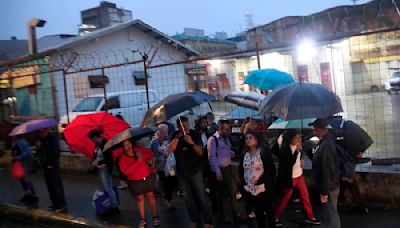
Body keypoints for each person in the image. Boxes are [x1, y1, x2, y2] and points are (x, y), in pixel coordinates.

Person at [167, 116, 213, 228]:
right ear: (178, 126)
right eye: (182, 125)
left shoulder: (195, 134)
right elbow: (169, 150)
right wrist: (178, 138)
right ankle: (194, 219)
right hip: (182, 172)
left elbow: (201, 152)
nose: (185, 127)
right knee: (188, 198)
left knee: (201, 195)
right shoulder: (175, 135)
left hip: (195, 170)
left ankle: (208, 221)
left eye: (186, 124)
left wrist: (191, 142)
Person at [274, 129, 320, 226]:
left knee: (305, 196)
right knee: (285, 198)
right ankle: (275, 217)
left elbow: (299, 156)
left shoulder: (297, 146)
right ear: (290, 138)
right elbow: (289, 162)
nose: (299, 140)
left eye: (300, 138)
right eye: (297, 138)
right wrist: (296, 151)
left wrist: (301, 157)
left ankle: (310, 216)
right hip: (290, 177)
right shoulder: (285, 149)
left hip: (299, 175)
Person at [239, 130, 276, 228]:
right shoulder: (245, 154)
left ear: (256, 139)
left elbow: (271, 169)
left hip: (263, 187)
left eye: (250, 138)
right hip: (251, 189)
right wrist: (244, 183)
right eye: (246, 138)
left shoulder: (263, 151)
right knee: (258, 212)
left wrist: (261, 180)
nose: (248, 140)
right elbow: (241, 170)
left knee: (269, 211)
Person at [119, 139, 160, 227]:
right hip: (135, 181)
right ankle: (143, 219)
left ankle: (155, 217)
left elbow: (151, 154)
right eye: (125, 145)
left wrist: (141, 157)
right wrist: (138, 161)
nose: (128, 146)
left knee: (151, 197)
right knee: (140, 199)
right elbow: (126, 172)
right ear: (122, 148)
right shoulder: (122, 158)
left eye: (129, 144)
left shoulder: (139, 149)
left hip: (147, 177)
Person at [310, 118, 341, 228]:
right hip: (330, 186)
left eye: (314, 129)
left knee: (331, 215)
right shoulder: (325, 141)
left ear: (318, 129)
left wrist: (324, 191)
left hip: (329, 187)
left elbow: (327, 169)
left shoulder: (327, 145)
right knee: (329, 213)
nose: (313, 131)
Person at [208, 119, 239, 223]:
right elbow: (211, 157)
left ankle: (235, 214)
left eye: (228, 129)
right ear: (220, 129)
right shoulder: (213, 140)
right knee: (222, 195)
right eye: (226, 130)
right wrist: (217, 171)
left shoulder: (226, 138)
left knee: (232, 192)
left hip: (228, 167)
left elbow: (224, 150)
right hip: (220, 169)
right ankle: (224, 217)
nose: (228, 131)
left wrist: (230, 153)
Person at [87, 130, 119, 215]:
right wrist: (93, 162)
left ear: (95, 137)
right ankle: (111, 205)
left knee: (108, 188)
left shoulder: (105, 143)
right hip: (100, 169)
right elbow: (97, 156)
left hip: (105, 169)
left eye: (92, 139)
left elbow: (108, 159)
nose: (92, 141)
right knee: (106, 188)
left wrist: (98, 162)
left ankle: (114, 207)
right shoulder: (98, 145)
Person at [36, 128, 66, 212]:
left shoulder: (53, 138)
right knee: (50, 186)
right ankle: (54, 203)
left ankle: (61, 204)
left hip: (52, 165)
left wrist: (51, 164)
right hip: (45, 165)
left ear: (45, 130)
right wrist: (39, 146)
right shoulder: (41, 139)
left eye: (40, 131)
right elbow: (40, 152)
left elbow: (55, 151)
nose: (39, 133)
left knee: (56, 185)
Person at [150, 124, 178, 210]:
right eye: (165, 130)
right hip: (161, 167)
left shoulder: (169, 139)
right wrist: (154, 165)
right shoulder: (154, 143)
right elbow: (151, 155)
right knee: (167, 182)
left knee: (173, 180)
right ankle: (169, 200)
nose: (166, 132)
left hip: (170, 166)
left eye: (167, 130)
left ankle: (166, 194)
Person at [11, 135, 38, 204]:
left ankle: (34, 195)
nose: (12, 137)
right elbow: (13, 152)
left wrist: (18, 157)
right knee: (21, 179)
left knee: (27, 179)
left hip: (25, 162)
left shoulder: (23, 142)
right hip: (19, 163)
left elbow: (28, 153)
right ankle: (27, 194)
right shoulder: (15, 142)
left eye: (14, 136)